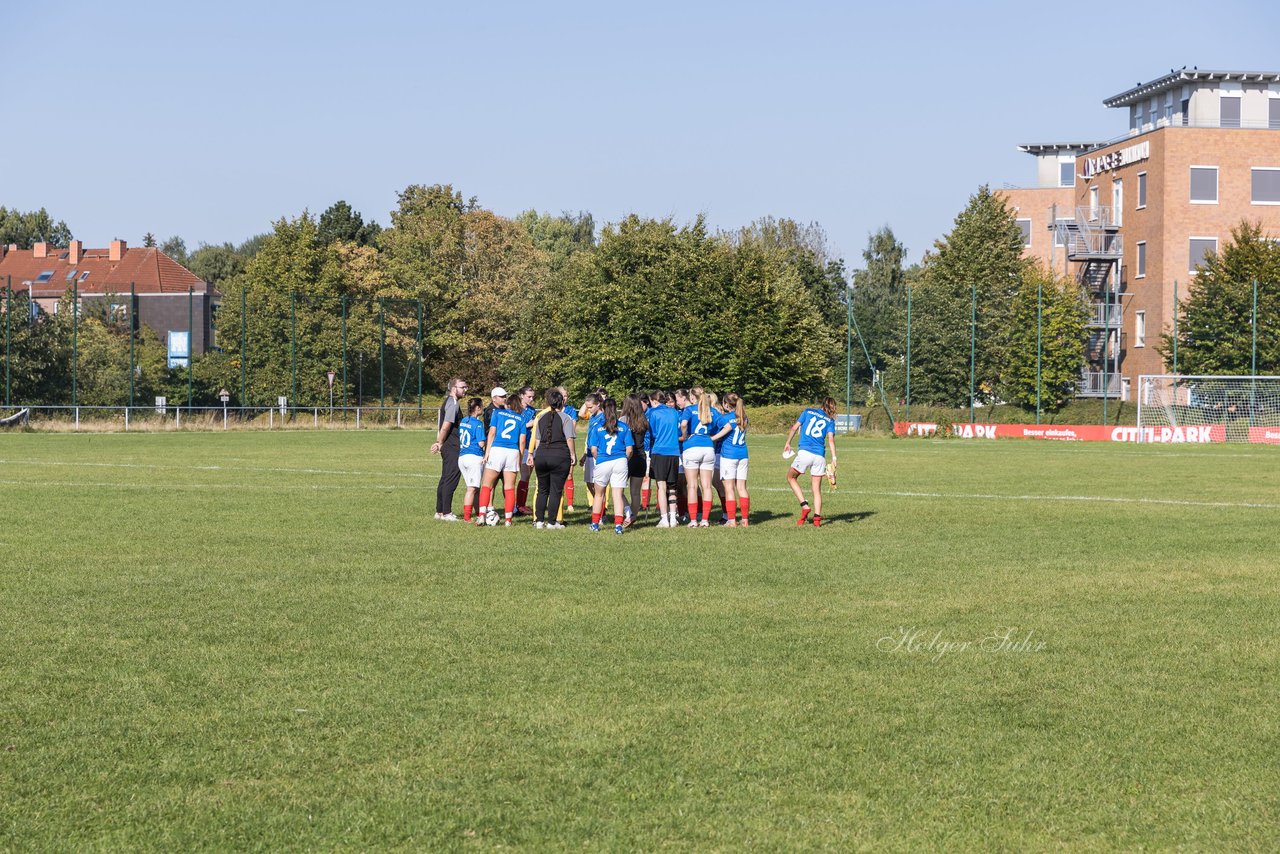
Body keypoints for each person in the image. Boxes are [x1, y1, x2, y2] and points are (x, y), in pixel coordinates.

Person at [782, 397, 838, 527]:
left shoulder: (807, 411)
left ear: (822, 404)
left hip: (805, 453)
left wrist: (788, 442)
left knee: (791, 478)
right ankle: (817, 519)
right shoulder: (830, 421)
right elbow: (830, 440)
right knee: (816, 490)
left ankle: (804, 505)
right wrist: (834, 458)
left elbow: (794, 427)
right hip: (820, 456)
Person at [527, 388, 576, 529]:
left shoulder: (541, 418)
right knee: (555, 490)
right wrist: (572, 454)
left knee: (542, 489)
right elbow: (569, 439)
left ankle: (539, 521)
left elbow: (537, 441)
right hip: (559, 456)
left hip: (541, 455)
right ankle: (552, 522)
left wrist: (534, 455)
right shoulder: (565, 418)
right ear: (561, 402)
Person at [478, 387, 525, 527]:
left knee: (486, 485)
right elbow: (522, 441)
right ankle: (509, 520)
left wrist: (487, 453)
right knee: (509, 487)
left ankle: (481, 516)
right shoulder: (521, 418)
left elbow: (491, 433)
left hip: (498, 449)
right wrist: (520, 458)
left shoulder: (497, 413)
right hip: (513, 451)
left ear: (508, 404)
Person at [588, 398, 634, 534]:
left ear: (603, 409)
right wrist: (624, 459)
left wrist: (600, 459)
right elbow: (630, 449)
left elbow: (593, 450)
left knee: (599, 494)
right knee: (617, 495)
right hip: (620, 461)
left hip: (603, 461)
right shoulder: (624, 426)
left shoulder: (597, 427)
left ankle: (595, 524)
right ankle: (618, 525)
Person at [430, 377, 468, 521]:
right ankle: (446, 513)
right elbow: (446, 425)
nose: (465, 390)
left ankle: (439, 512)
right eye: (462, 387)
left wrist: (440, 442)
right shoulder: (453, 403)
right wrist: (439, 442)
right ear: (453, 388)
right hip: (452, 446)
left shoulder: (448, 401)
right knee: (451, 478)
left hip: (448, 445)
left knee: (445, 478)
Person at [710, 393, 749, 527]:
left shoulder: (724, 418)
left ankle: (731, 520)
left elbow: (725, 429)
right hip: (743, 454)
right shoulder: (744, 417)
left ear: (726, 405)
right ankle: (745, 520)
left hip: (729, 455)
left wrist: (712, 438)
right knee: (742, 488)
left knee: (729, 488)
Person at [679, 386, 717, 527]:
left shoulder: (689, 410)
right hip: (708, 448)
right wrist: (713, 437)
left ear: (692, 398)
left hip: (692, 448)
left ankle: (694, 520)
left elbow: (683, 424)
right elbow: (723, 426)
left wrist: (685, 436)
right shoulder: (711, 410)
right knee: (707, 486)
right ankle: (705, 520)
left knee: (692, 486)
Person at [646, 390, 681, 528]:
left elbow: (653, 432)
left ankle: (664, 519)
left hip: (660, 451)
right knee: (672, 486)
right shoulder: (674, 412)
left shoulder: (653, 413)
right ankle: (673, 518)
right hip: (674, 452)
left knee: (661, 486)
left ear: (655, 401)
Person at [620, 393, 650, 528]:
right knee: (635, 492)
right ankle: (632, 517)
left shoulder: (623, 420)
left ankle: (628, 514)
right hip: (641, 458)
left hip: (628, 458)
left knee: (618, 490)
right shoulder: (643, 420)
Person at [456, 398, 486, 524]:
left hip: (462, 457)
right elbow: (480, 443)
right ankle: (467, 518)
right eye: (482, 406)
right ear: (477, 408)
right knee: (472, 489)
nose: (483, 408)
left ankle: (479, 514)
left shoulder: (464, 420)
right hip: (474, 457)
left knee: (474, 488)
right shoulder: (478, 424)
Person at [515, 386, 536, 515]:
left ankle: (521, 505)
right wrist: (530, 424)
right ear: (522, 395)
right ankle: (518, 506)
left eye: (533, 396)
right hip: (518, 446)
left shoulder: (532, 410)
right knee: (523, 475)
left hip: (530, 446)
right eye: (529, 396)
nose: (531, 399)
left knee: (527, 476)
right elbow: (517, 426)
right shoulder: (516, 409)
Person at [557, 385, 578, 512]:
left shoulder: (570, 410)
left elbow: (573, 426)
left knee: (569, 474)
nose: (565, 398)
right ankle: (558, 501)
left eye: (566, 395)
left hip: (567, 444)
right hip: (556, 445)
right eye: (562, 395)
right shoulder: (551, 409)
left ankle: (570, 503)